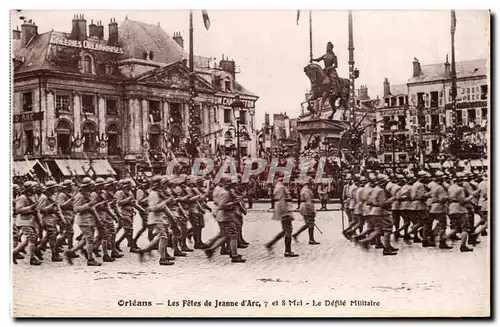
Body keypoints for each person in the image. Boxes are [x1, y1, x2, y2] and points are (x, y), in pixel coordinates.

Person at [204, 178, 246, 263]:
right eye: (231, 184)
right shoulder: (224, 193)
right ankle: (233, 255)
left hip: (223, 215)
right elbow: (222, 205)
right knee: (232, 234)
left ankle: (211, 246)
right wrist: (234, 203)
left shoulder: (221, 190)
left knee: (224, 234)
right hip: (226, 216)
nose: (233, 186)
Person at [64, 177, 101, 266]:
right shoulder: (79, 196)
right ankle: (90, 260)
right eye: (90, 186)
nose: (92, 187)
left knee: (86, 238)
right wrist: (88, 205)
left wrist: (97, 218)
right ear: (86, 186)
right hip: (83, 220)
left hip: (89, 219)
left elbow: (92, 208)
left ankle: (71, 252)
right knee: (89, 240)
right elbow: (76, 209)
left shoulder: (88, 195)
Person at [265, 174, 299, 257]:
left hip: (284, 210)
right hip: (284, 211)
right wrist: (285, 213)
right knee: (288, 230)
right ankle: (287, 251)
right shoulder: (280, 187)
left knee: (285, 230)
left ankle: (270, 244)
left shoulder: (280, 186)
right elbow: (281, 202)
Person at [13, 181, 42, 265]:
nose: (36, 188)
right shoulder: (22, 197)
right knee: (32, 238)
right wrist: (30, 207)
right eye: (34, 187)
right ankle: (32, 258)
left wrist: (39, 222)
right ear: (29, 188)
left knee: (28, 240)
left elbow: (36, 210)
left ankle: (14, 253)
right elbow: (18, 210)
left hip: (31, 220)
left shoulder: (34, 196)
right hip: (23, 220)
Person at [292, 176, 320, 245]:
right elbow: (308, 202)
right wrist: (312, 211)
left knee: (308, 223)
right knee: (310, 223)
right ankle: (311, 239)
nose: (312, 182)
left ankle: (296, 234)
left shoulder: (305, 189)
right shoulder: (306, 190)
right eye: (311, 181)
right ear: (308, 182)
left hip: (304, 207)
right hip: (306, 208)